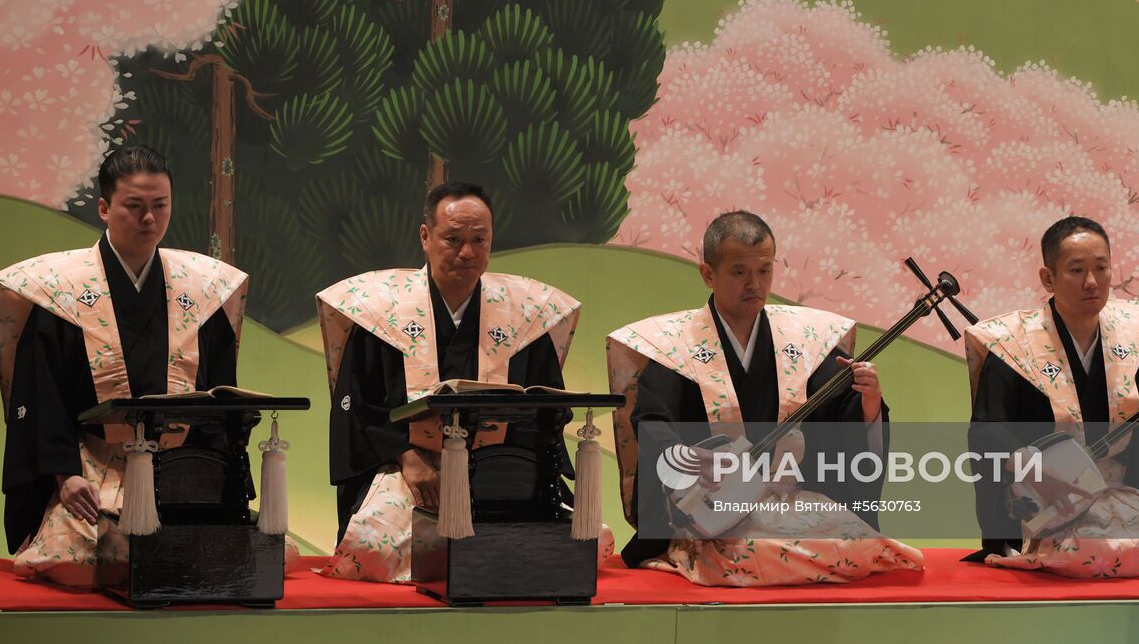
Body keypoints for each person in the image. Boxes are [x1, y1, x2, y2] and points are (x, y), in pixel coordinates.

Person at [607, 210, 923, 586]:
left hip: (790, 502)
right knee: (755, 554)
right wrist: (693, 460)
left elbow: (841, 419)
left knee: (870, 549)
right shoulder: (677, 346)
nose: (754, 283)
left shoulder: (801, 340)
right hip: (715, 511)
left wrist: (869, 405)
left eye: (765, 270)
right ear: (708, 274)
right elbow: (653, 426)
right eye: (739, 272)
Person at [0, 146, 247, 587]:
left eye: (160, 206)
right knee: (78, 563)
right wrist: (65, 474)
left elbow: (218, 395)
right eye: (135, 207)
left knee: (250, 556)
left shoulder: (200, 289)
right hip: (94, 468)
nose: (149, 219)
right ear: (105, 208)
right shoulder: (63, 291)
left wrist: (209, 472)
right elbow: (41, 392)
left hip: (179, 470)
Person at [317, 181, 581, 582]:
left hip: (500, 471)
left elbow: (547, 408)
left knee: (582, 544)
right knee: (374, 550)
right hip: (411, 470)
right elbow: (358, 407)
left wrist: (505, 464)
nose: (468, 252)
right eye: (453, 239)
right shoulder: (381, 312)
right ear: (426, 236)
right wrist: (407, 456)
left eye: (480, 239)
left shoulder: (523, 315)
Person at [963, 215, 1139, 577]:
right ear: (1048, 278)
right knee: (1090, 556)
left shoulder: (1134, 339)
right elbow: (987, 431)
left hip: (1129, 503)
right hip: (1052, 508)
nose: (1091, 282)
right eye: (1076, 270)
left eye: (1101, 268)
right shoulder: (1014, 345)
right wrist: (1033, 464)